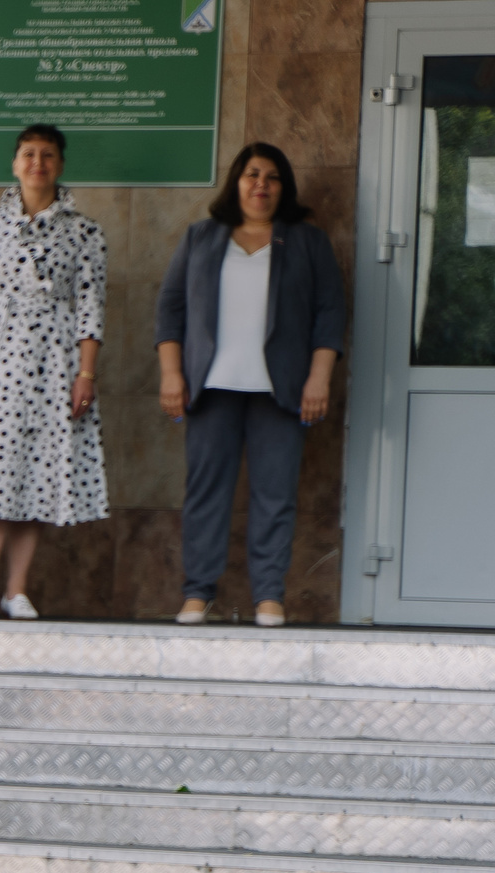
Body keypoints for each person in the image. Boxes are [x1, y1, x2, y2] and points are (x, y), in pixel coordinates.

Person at [156, 142, 345, 629]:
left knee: (275, 496)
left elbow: (330, 314)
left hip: (281, 392)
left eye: (272, 177)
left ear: (284, 187)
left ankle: (269, 597)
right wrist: (172, 373)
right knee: (205, 494)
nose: (262, 184)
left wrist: (319, 377)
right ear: (236, 182)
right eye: (252, 174)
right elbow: (170, 309)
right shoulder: (201, 237)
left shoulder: (306, 242)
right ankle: (198, 594)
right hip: (210, 388)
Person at [0, 125, 108, 621]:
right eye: (28, 153)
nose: (37, 162)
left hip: (55, 363)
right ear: (15, 162)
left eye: (47, 154)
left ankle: (16, 590)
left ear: (60, 164)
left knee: (38, 474)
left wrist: (85, 374)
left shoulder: (84, 231)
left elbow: (91, 306)